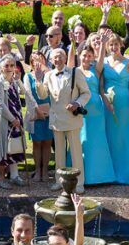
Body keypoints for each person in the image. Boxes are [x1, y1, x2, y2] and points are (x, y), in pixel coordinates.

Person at [35, 47, 91, 193]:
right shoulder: (48, 75)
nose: (57, 59)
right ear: (51, 60)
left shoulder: (75, 72)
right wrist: (38, 81)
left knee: (75, 153)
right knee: (59, 154)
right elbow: (42, 95)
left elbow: (86, 93)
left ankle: (79, 184)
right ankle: (60, 182)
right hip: (56, 119)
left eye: (60, 56)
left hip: (72, 119)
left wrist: (77, 104)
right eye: (54, 57)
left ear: (65, 58)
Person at [73, 33, 115, 186]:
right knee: (84, 140)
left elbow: (101, 89)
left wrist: (103, 44)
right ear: (80, 55)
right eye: (84, 55)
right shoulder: (75, 71)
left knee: (98, 141)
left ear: (92, 57)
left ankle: (100, 176)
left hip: (97, 109)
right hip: (82, 110)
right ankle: (82, 176)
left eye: (89, 55)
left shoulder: (95, 70)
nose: (86, 58)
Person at [100, 29, 129, 186]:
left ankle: (125, 174)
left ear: (121, 45)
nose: (113, 47)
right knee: (108, 136)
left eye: (116, 44)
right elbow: (100, 85)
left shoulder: (128, 62)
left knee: (122, 136)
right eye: (110, 44)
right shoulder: (104, 62)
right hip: (107, 103)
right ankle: (109, 173)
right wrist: (105, 99)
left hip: (123, 104)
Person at [0, 55, 26, 189]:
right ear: (1, 68)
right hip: (5, 121)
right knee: (3, 149)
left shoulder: (13, 81)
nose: (9, 68)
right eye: (6, 66)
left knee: (14, 147)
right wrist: (12, 119)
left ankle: (14, 176)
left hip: (16, 120)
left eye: (12, 65)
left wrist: (19, 81)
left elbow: (24, 93)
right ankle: (0, 178)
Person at [22, 49, 54, 182]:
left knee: (47, 142)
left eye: (40, 59)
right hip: (36, 114)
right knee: (37, 143)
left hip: (49, 113)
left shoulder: (50, 75)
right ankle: (38, 170)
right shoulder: (28, 77)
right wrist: (38, 111)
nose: (37, 62)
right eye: (34, 60)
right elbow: (28, 95)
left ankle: (45, 171)